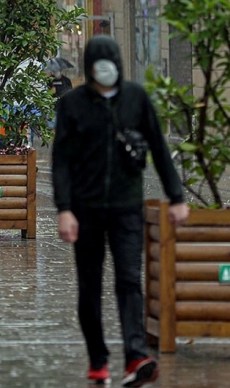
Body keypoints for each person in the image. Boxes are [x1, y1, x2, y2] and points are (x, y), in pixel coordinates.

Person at [52, 35, 189, 387]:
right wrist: (64, 210)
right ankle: (98, 359)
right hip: (86, 209)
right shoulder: (72, 104)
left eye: (110, 61)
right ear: (88, 67)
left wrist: (176, 197)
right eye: (98, 63)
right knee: (90, 286)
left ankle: (136, 355)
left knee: (130, 280)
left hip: (127, 207)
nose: (105, 69)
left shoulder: (136, 98)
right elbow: (61, 162)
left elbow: (159, 148)